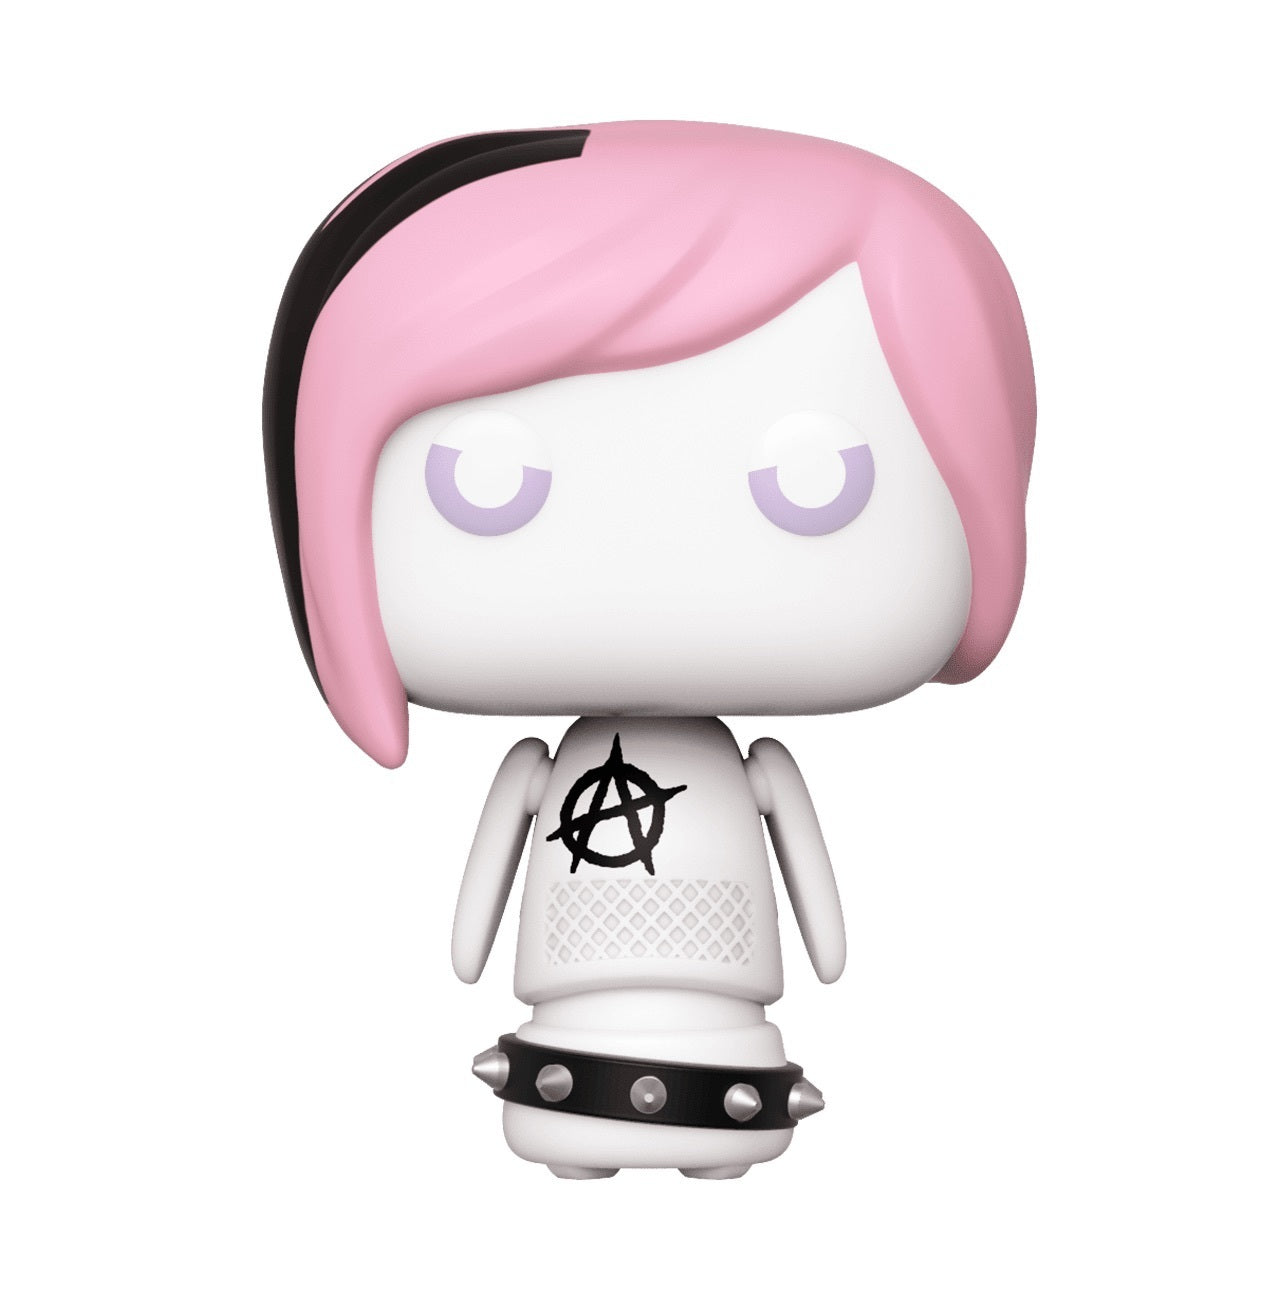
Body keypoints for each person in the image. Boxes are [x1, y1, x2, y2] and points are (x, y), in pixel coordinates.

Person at [264, 120, 1036, 1177]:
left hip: (727, 1023)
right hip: (568, 1018)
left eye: (815, 482)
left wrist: (469, 944)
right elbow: (805, 898)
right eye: (486, 485)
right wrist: (826, 945)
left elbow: (495, 896)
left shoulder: (704, 771)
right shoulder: (603, 770)